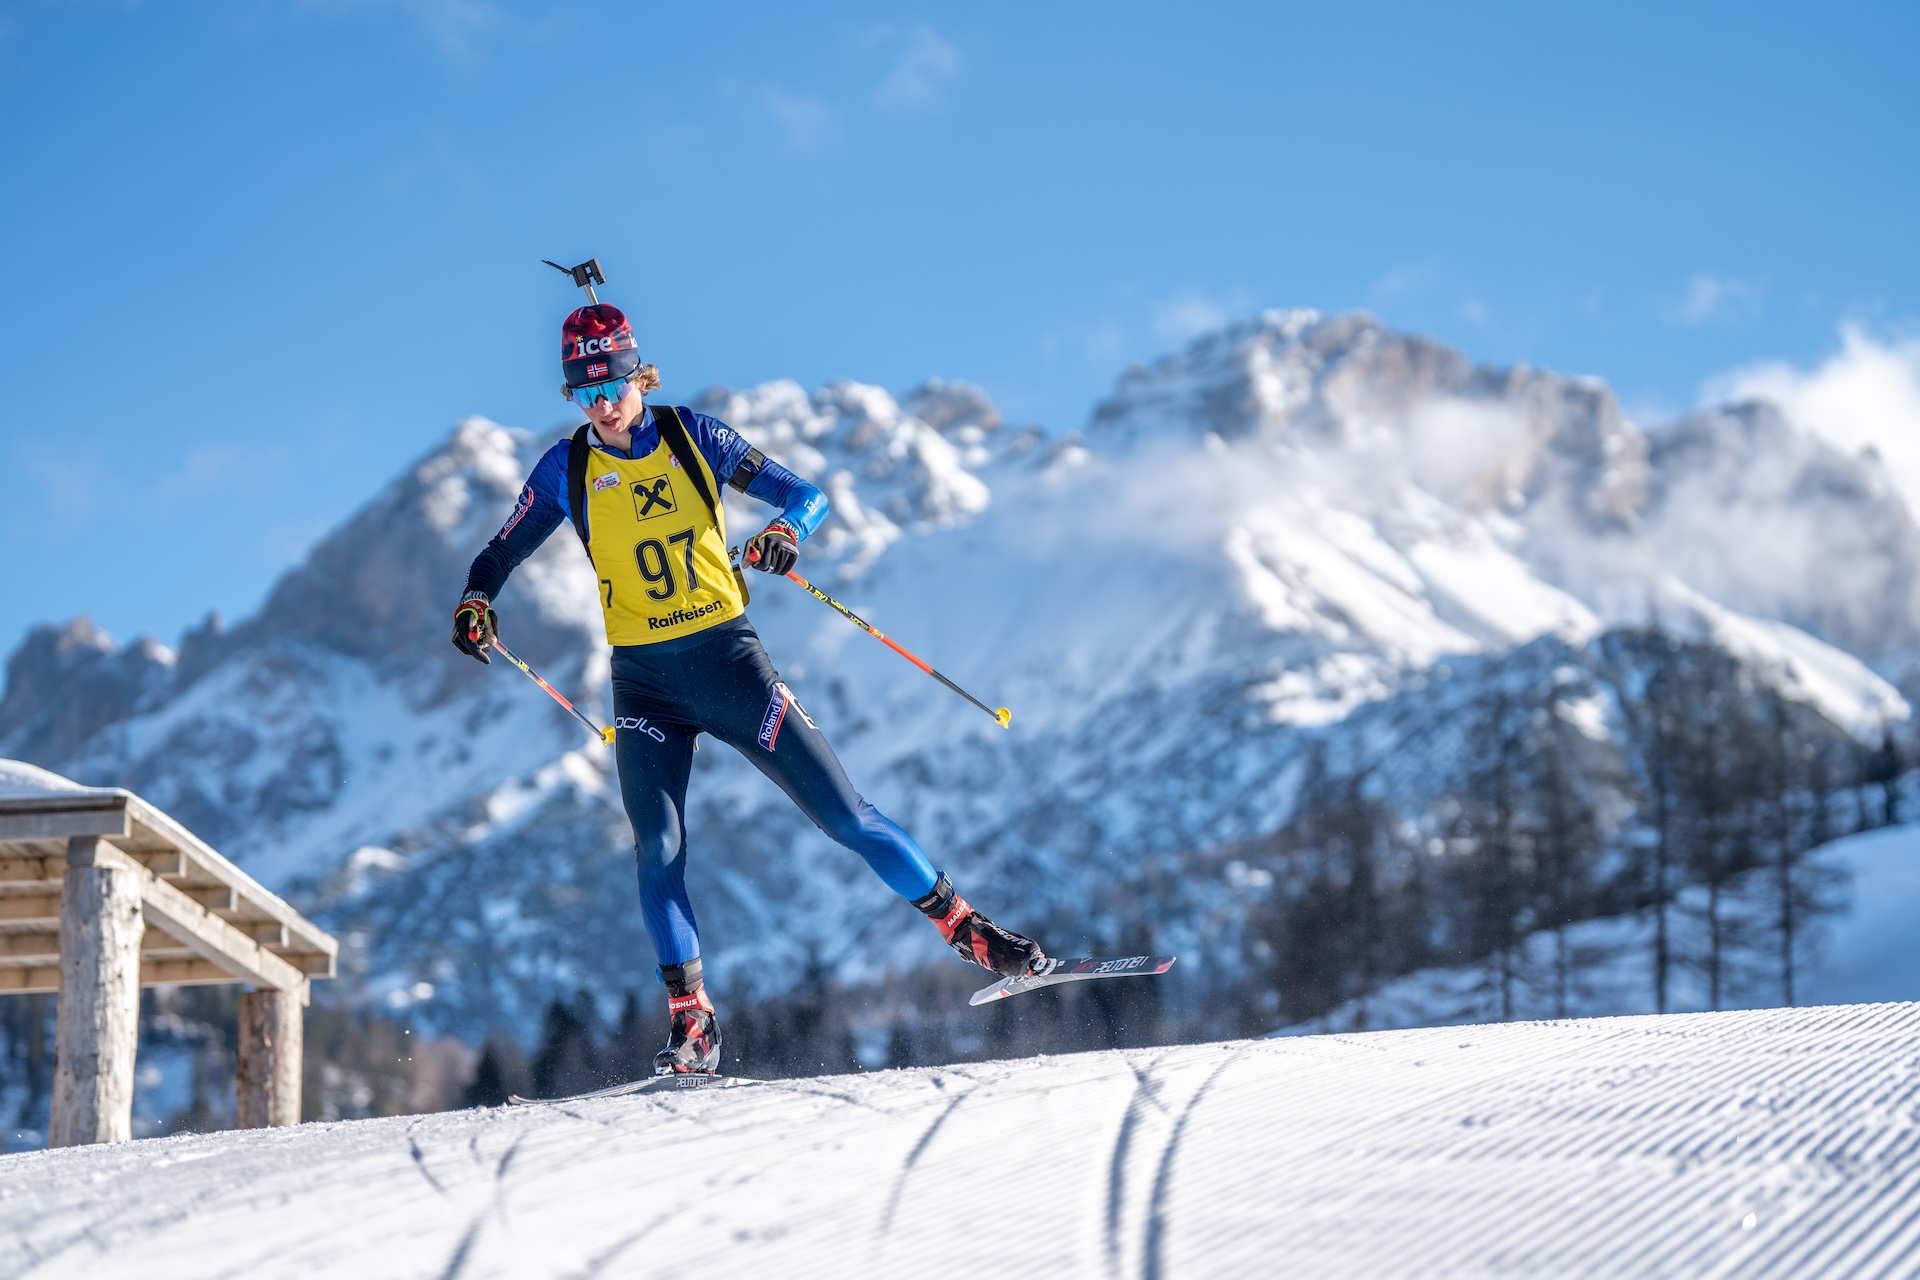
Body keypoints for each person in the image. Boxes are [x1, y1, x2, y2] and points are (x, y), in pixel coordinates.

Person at [451, 299, 1045, 1074]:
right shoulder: (566, 469)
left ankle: (966, 927)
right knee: (656, 848)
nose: (601, 404)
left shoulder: (696, 437)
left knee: (846, 817)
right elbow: (503, 547)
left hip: (729, 665)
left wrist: (783, 532)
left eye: (612, 385)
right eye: (583, 391)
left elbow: (808, 496)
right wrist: (476, 599)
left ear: (638, 371)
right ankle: (693, 1022)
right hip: (643, 686)